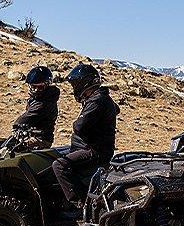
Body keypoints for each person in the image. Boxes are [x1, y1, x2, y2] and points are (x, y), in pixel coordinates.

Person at [52, 63, 119, 212]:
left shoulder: (97, 101)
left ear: (84, 83)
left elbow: (79, 127)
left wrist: (76, 123)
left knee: (59, 165)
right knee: (52, 156)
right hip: (90, 147)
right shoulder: (99, 98)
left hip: (95, 151)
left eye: (75, 84)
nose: (74, 88)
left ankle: (81, 205)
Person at [12, 65, 60, 149]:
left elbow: (27, 118)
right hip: (30, 136)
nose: (36, 90)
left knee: (13, 149)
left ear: (47, 85)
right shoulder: (39, 99)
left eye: (40, 87)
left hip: (40, 140)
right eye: (34, 86)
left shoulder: (45, 102)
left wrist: (17, 125)